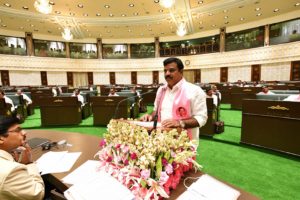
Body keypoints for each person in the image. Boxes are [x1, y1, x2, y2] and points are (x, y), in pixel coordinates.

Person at [140, 57, 207, 140]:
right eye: (165, 71)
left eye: (171, 70)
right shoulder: (161, 90)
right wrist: (150, 116)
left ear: (181, 72)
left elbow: (201, 118)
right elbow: (156, 111)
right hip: (161, 138)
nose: (167, 73)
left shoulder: (195, 91)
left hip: (185, 141)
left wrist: (180, 123)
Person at [0, 116, 45, 199]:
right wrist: (29, 163)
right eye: (18, 130)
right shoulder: (11, 171)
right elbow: (38, 194)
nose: (24, 132)